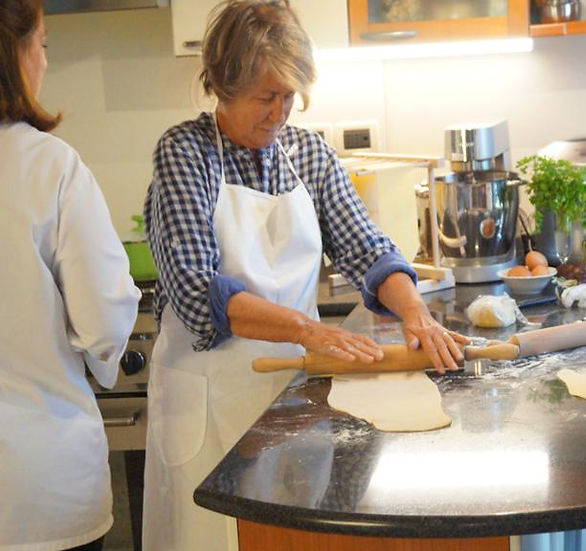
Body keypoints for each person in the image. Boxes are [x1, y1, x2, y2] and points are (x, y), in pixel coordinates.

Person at [140, 1, 469, 549]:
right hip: (208, 404)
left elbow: (367, 247)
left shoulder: (306, 151)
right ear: (223, 84)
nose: (279, 112)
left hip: (294, 402)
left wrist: (416, 312)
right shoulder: (185, 153)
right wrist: (307, 329)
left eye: (289, 96)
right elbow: (198, 289)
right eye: (265, 97)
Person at [0, 1, 142, 550]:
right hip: (42, 489)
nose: (44, 62)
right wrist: (98, 360)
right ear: (13, 54)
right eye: (42, 46)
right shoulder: (49, 166)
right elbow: (104, 320)